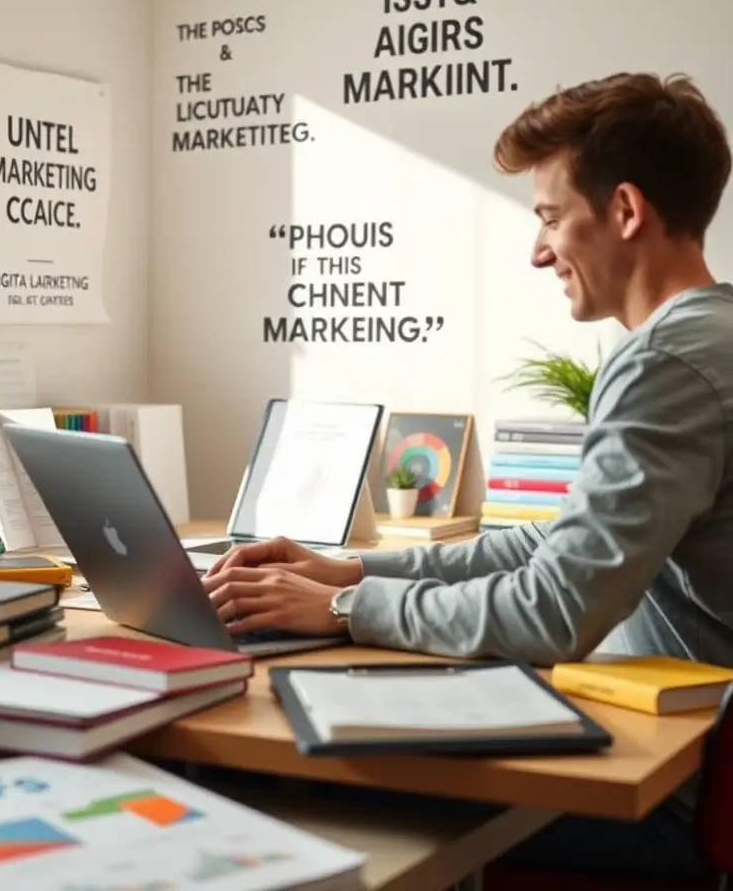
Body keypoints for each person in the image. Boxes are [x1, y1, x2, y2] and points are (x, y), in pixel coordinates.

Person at [202, 71, 733, 881]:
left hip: (670, 802)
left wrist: (345, 607)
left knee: (244, 778)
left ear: (626, 211)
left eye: (551, 216)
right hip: (683, 755)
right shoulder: (708, 340)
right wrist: (351, 568)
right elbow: (557, 548)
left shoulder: (664, 362)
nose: (537, 250)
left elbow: (554, 612)